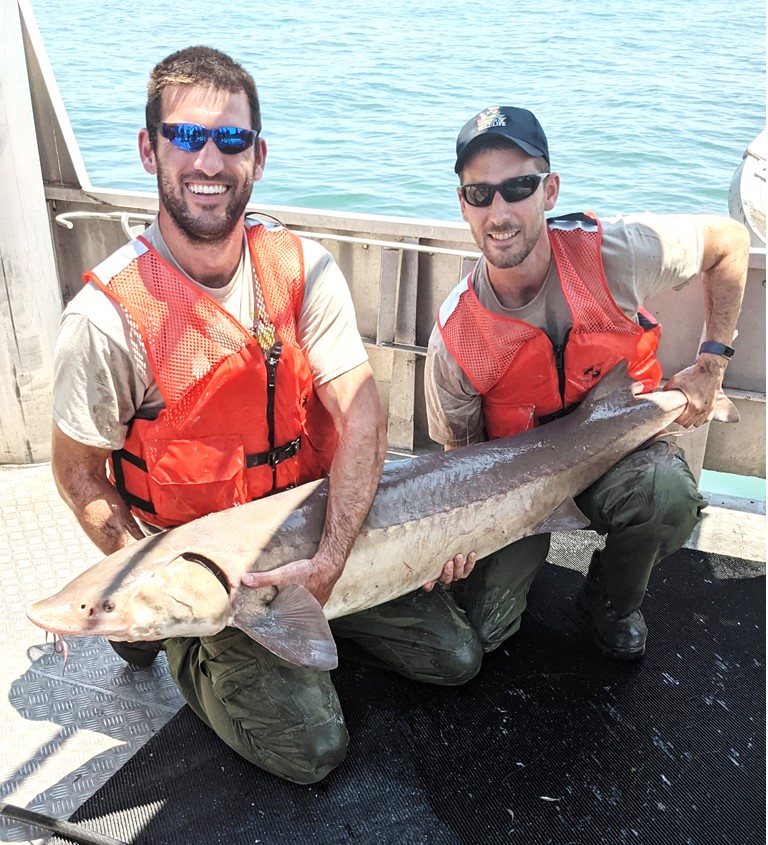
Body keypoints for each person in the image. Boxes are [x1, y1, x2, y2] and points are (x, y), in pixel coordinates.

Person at [50, 46, 477, 785]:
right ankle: (178, 643)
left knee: (457, 658)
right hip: (209, 567)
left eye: (231, 139)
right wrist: (161, 593)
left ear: (259, 156)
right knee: (311, 752)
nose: (209, 159)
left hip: (313, 534)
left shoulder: (303, 270)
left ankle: (309, 615)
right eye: (186, 136)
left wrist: (333, 559)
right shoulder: (107, 318)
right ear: (149, 148)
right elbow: (78, 472)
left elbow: (363, 417)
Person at [425, 105, 750, 662]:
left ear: (550, 191)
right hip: (519, 494)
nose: (499, 211)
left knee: (667, 496)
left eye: (519, 186)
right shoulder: (456, 338)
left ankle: (608, 601)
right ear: (463, 206)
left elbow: (729, 242)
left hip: (615, 453)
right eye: (480, 194)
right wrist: (462, 543)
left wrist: (711, 365)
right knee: (481, 636)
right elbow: (462, 465)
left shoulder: (615, 255)